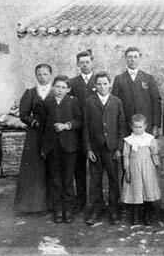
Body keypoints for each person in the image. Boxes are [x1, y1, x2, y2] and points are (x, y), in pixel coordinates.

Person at [84, 72, 126, 226]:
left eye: (105, 84)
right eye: (99, 84)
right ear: (95, 86)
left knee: (114, 178)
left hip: (112, 147)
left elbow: (122, 126)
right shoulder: (89, 102)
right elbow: (86, 128)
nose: (102, 87)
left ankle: (113, 208)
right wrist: (88, 148)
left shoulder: (116, 102)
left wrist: (119, 148)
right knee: (95, 179)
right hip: (95, 148)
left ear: (110, 85)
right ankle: (96, 208)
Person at [41, 75, 82, 223]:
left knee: (68, 178)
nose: (60, 90)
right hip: (52, 146)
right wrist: (44, 148)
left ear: (68, 89)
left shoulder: (73, 102)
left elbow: (79, 120)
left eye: (63, 87)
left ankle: (68, 209)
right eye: (57, 87)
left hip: (69, 146)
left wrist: (66, 126)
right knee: (55, 178)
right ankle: (58, 209)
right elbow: (43, 125)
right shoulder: (47, 103)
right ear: (53, 87)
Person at [13, 64, 53, 213]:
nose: (42, 77)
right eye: (39, 74)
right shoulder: (30, 93)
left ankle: (53, 204)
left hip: (52, 133)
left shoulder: (56, 91)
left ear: (50, 75)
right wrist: (33, 121)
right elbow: (23, 114)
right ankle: (33, 205)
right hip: (35, 135)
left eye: (45, 74)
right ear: (36, 76)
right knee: (35, 168)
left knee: (53, 167)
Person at [112, 47, 161, 137]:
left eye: (135, 57)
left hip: (145, 126)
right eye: (130, 57)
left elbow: (156, 103)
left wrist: (156, 125)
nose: (132, 60)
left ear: (139, 58)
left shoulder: (148, 78)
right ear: (126, 59)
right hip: (126, 126)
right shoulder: (119, 79)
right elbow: (114, 103)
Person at [121, 114, 161, 226]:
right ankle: (135, 215)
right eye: (135, 127)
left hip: (148, 168)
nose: (138, 130)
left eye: (140, 127)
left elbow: (154, 153)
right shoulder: (129, 140)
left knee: (148, 189)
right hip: (134, 169)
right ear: (131, 127)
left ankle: (148, 214)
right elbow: (126, 156)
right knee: (136, 189)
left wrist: (157, 165)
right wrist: (127, 170)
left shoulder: (149, 139)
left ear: (145, 127)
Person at [70, 50, 96, 214]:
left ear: (92, 62)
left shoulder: (99, 80)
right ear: (78, 65)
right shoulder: (72, 83)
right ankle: (80, 201)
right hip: (78, 132)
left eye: (87, 61)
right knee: (79, 168)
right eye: (82, 62)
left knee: (96, 169)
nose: (85, 65)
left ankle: (96, 203)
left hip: (96, 131)